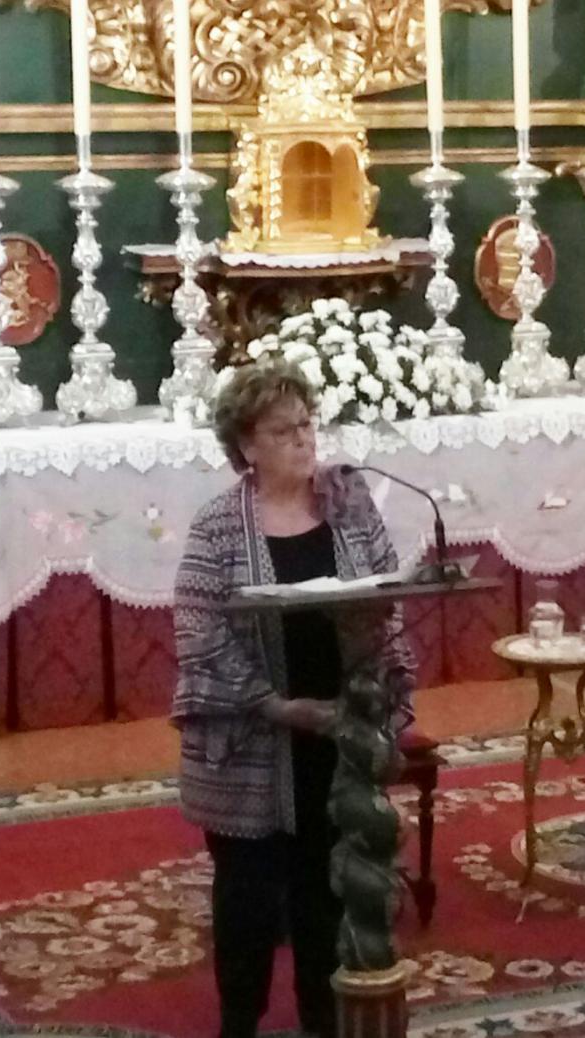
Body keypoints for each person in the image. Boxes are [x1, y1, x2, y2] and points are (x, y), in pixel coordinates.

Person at [173, 361, 416, 1038]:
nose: (305, 440)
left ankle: (323, 1017)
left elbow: (387, 597)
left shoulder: (349, 502)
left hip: (338, 728)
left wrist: (376, 688)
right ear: (246, 445)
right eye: (284, 431)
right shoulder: (219, 524)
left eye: (308, 424)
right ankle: (239, 1021)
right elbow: (197, 629)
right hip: (250, 743)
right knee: (248, 899)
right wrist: (272, 705)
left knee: (325, 887)